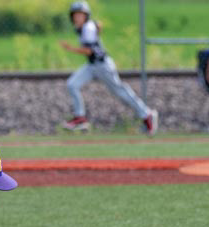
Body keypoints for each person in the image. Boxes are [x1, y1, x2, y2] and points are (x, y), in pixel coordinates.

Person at [60, 1, 158, 135]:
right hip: (92, 65)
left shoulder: (88, 28)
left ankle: (147, 115)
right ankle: (80, 118)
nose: (77, 17)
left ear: (86, 16)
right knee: (72, 84)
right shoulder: (85, 27)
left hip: (103, 65)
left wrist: (70, 48)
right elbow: (97, 27)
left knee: (120, 91)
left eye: (80, 15)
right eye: (75, 15)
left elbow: (89, 50)